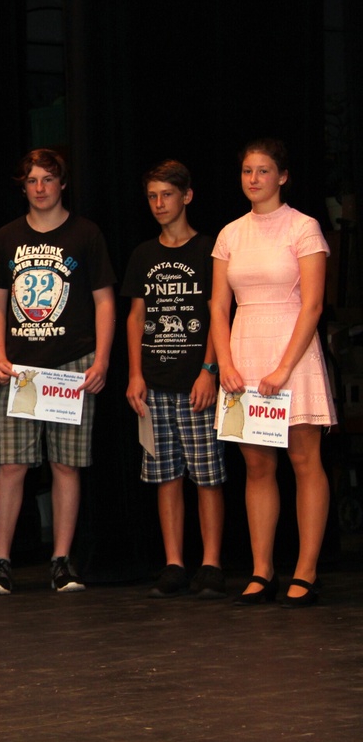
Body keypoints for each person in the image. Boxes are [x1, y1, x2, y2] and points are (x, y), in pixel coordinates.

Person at [0, 148, 116, 595]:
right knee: (12, 464)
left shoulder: (85, 233)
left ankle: (61, 561)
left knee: (66, 464)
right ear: (23, 187)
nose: (40, 188)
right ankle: (1, 562)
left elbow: (104, 300)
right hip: (19, 367)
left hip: (72, 365)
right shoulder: (7, 236)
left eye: (48, 179)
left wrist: (101, 359)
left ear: (62, 184)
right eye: (32, 180)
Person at [210, 138, 336, 607]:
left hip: (293, 354)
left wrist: (284, 367)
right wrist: (225, 363)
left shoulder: (303, 227)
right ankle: (262, 570)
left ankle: (306, 571)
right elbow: (218, 306)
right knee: (258, 466)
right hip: (244, 353)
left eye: (263, 171)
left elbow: (314, 304)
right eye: (247, 171)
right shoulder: (230, 233)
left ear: (282, 176)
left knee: (304, 461)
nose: (254, 179)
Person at [123, 161, 227, 599]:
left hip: (195, 380)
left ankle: (211, 563)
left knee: (207, 475)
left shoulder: (208, 249)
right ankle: (174, 563)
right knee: (165, 475)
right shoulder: (144, 254)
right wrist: (134, 374)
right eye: (152, 196)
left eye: (167, 194)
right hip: (155, 382)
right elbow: (136, 316)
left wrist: (209, 370)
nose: (159, 203)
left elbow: (218, 313)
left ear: (187, 196)